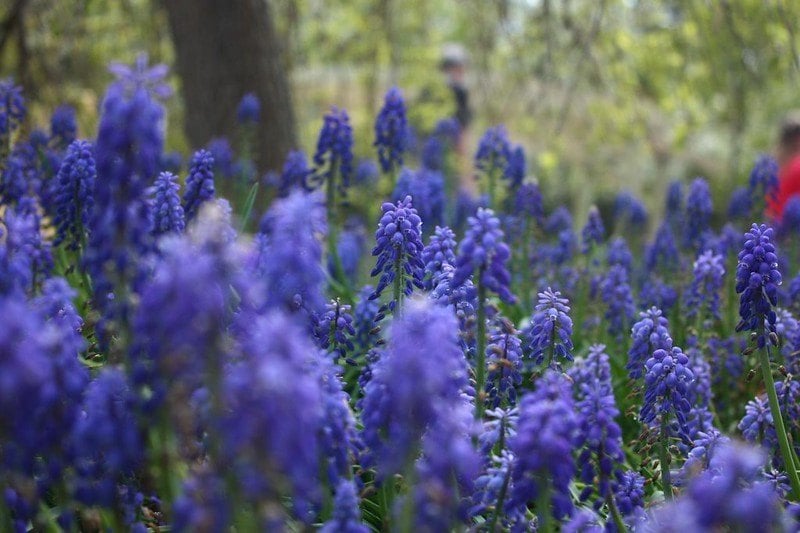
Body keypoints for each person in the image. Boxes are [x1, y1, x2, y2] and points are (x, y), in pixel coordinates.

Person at [767, 112, 800, 220]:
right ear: (796, 138)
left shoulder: (771, 160)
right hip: (791, 226)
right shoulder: (797, 165)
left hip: (769, 222)